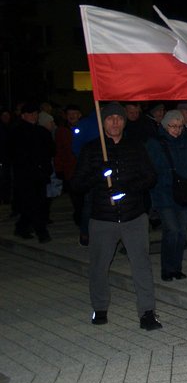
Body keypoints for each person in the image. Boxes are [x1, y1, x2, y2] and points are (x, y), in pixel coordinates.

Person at [71, 102, 162, 330]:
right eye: (110, 118)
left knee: (141, 265)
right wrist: (99, 175)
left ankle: (147, 312)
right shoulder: (92, 149)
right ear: (103, 122)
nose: (115, 122)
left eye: (119, 118)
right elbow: (77, 184)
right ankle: (100, 307)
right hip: (103, 218)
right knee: (99, 266)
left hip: (133, 216)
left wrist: (126, 187)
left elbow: (150, 177)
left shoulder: (135, 146)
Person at [145, 109, 187, 281]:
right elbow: (153, 169)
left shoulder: (186, 142)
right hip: (164, 193)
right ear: (165, 125)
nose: (176, 130)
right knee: (172, 230)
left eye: (180, 126)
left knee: (182, 232)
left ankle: (176, 268)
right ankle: (167, 269)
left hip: (183, 193)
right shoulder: (155, 143)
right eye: (173, 126)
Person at [10, 101, 55, 242]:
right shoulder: (17, 132)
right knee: (33, 203)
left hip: (39, 174)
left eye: (35, 113)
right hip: (25, 175)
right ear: (23, 115)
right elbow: (14, 154)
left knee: (36, 202)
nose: (33, 116)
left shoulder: (41, 131)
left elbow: (51, 150)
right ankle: (41, 232)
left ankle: (22, 227)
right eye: (30, 114)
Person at [55, 104, 84, 231]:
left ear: (80, 115)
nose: (72, 116)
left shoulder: (85, 128)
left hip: (84, 169)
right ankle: (79, 218)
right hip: (70, 169)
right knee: (75, 197)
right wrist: (59, 168)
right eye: (69, 114)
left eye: (75, 113)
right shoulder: (62, 131)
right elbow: (58, 150)